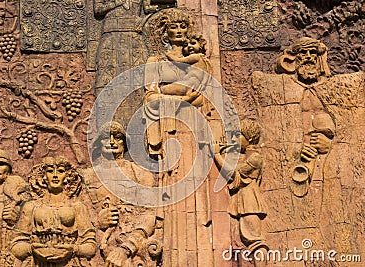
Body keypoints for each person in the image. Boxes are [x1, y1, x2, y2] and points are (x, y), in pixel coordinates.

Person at [253, 37, 365, 256]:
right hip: (297, 174)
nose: (308, 59)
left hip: (331, 173)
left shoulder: (340, 89)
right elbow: (273, 139)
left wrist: (331, 145)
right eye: (302, 54)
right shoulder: (279, 89)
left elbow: (355, 136)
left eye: (313, 54)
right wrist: (294, 149)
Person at [143, 8, 220, 266]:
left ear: (188, 31)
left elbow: (205, 94)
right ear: (165, 32)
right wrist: (178, 99)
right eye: (173, 28)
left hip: (194, 128)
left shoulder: (199, 61)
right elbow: (151, 96)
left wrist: (187, 98)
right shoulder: (155, 62)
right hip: (169, 127)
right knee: (173, 180)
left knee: (197, 183)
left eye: (183, 28)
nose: (178, 32)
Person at [80, 121, 162, 267]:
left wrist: (126, 248)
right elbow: (80, 212)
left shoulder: (141, 174)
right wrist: (97, 222)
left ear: (124, 143)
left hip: (133, 245)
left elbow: (149, 215)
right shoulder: (87, 176)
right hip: (97, 242)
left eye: (117, 137)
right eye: (106, 137)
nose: (112, 141)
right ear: (99, 143)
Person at [11, 157, 97, 267]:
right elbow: (16, 244)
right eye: (50, 171)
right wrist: (31, 249)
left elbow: (90, 246)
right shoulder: (31, 207)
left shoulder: (77, 207)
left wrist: (74, 249)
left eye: (60, 171)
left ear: (67, 176)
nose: (55, 175)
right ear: (44, 177)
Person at [214, 119, 268, 267]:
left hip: (250, 203)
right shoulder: (245, 156)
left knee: (255, 240)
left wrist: (217, 155)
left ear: (249, 138)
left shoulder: (255, 157)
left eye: (238, 136)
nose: (235, 140)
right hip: (241, 202)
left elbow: (233, 173)